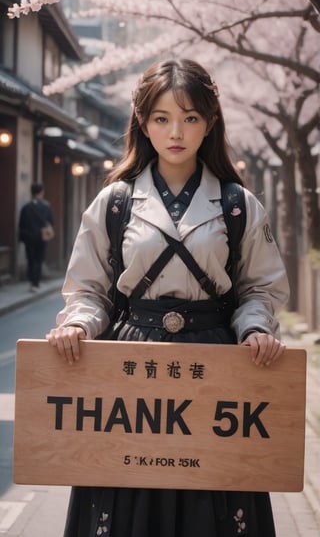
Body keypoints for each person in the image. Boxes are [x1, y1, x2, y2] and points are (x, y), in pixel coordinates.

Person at [46, 58, 289, 537]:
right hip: (130, 367)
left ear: (209, 124)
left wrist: (256, 327)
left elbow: (260, 287)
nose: (176, 131)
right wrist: (78, 323)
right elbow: (89, 288)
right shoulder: (114, 201)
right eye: (162, 118)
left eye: (190, 118)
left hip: (216, 362)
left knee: (215, 495)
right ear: (143, 122)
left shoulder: (239, 203)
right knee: (127, 490)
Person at [19, 182, 54, 291]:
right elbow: (51, 222)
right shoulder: (46, 206)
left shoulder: (26, 207)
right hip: (41, 237)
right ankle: (36, 282)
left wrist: (23, 237)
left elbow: (21, 224)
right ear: (42, 192)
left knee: (30, 259)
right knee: (39, 259)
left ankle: (31, 282)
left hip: (29, 237)